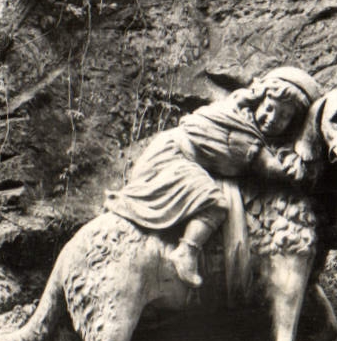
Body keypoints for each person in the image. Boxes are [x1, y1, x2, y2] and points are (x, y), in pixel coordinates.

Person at [107, 67, 320, 288]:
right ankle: (186, 252)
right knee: (214, 201)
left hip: (185, 160)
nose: (273, 119)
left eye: (285, 116)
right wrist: (305, 169)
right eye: (269, 108)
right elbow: (269, 166)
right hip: (171, 159)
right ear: (258, 100)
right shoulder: (240, 128)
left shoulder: (249, 125)